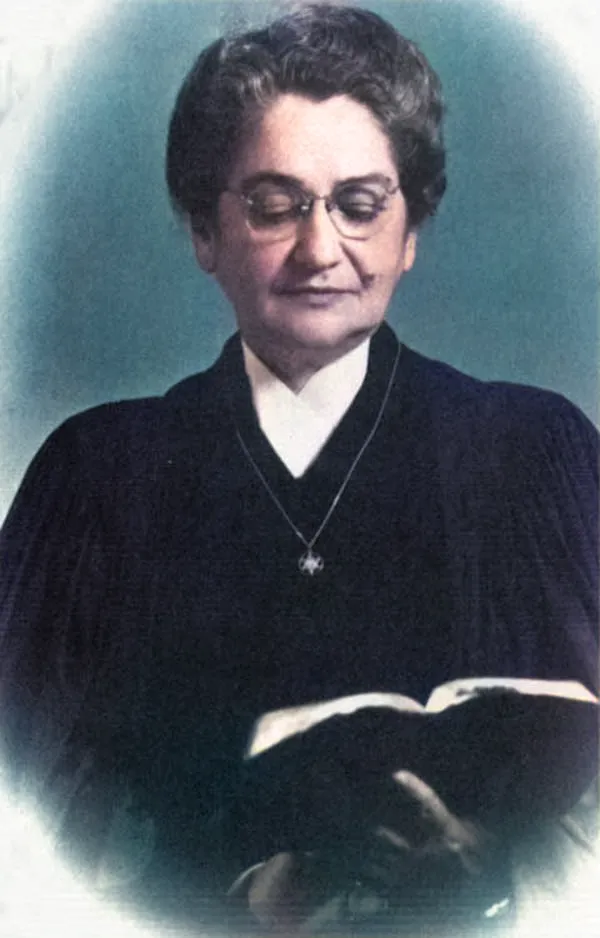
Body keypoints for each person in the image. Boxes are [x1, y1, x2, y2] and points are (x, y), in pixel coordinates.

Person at [0, 4, 597, 936]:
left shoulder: (527, 456)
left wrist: (491, 873)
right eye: (275, 207)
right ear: (205, 233)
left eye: (360, 206)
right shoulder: (96, 480)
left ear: (410, 232)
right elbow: (22, 823)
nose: (322, 251)